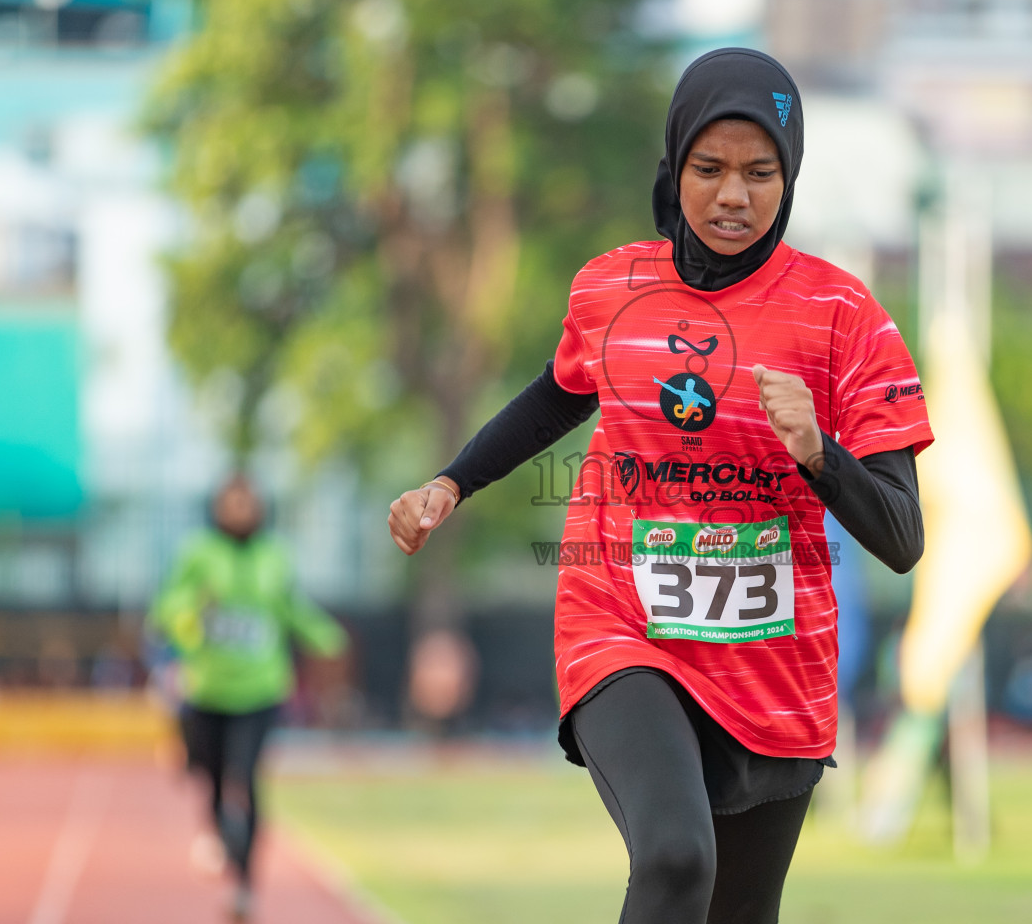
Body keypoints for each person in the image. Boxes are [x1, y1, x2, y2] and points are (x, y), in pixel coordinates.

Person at [388, 47, 933, 923]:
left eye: (760, 173)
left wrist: (819, 451)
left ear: (789, 179)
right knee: (678, 859)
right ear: (673, 166)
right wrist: (452, 483)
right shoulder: (613, 287)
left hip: (774, 661)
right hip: (622, 622)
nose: (732, 195)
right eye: (708, 169)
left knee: (736, 911)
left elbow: (903, 540)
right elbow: (554, 398)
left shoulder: (845, 320)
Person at [150, 475, 347, 920]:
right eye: (231, 503)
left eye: (248, 503)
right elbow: (168, 606)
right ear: (217, 507)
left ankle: (245, 884)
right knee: (215, 778)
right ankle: (222, 836)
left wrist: (327, 638)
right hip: (208, 687)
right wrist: (190, 614)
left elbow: (292, 607)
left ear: (260, 508)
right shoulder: (197, 553)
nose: (240, 511)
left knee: (247, 773)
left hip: (260, 688)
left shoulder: (275, 555)